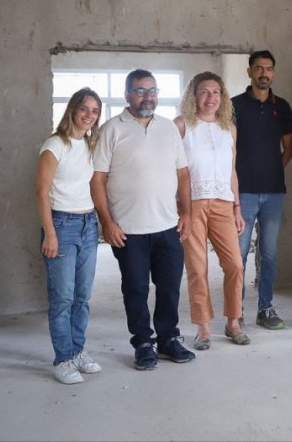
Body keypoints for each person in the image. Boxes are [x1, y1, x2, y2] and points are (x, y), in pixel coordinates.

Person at [90, 69, 196, 370]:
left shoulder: (168, 128)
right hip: (128, 230)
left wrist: (187, 212)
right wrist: (107, 222)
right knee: (135, 289)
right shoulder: (112, 129)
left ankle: (168, 339)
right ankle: (143, 342)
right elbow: (97, 180)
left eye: (152, 90)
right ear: (127, 95)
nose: (147, 96)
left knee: (169, 288)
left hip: (167, 227)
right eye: (140, 91)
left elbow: (182, 172)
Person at [174, 72, 250, 350]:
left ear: (223, 97)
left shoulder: (228, 128)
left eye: (216, 92)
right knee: (197, 267)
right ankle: (203, 327)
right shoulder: (182, 126)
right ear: (194, 96)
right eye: (204, 92)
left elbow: (231, 171)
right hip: (191, 204)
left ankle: (233, 322)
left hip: (222, 203)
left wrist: (237, 208)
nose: (210, 98)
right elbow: (173, 169)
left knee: (235, 264)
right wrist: (179, 207)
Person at [36, 87, 103, 384]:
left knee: (82, 297)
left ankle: (77, 351)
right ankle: (62, 358)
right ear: (73, 110)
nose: (89, 115)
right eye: (84, 109)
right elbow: (41, 191)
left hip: (88, 224)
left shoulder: (89, 145)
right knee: (62, 298)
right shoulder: (55, 145)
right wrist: (50, 234)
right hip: (62, 225)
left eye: (95, 111)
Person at [232, 50, 292, 330]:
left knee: (269, 254)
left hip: (273, 192)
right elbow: (228, 147)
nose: (264, 73)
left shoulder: (281, 106)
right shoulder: (234, 105)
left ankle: (265, 308)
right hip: (243, 193)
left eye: (269, 68)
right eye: (258, 68)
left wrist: (272, 169)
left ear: (274, 72)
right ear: (249, 72)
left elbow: (289, 146)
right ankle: (236, 311)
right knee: (240, 253)